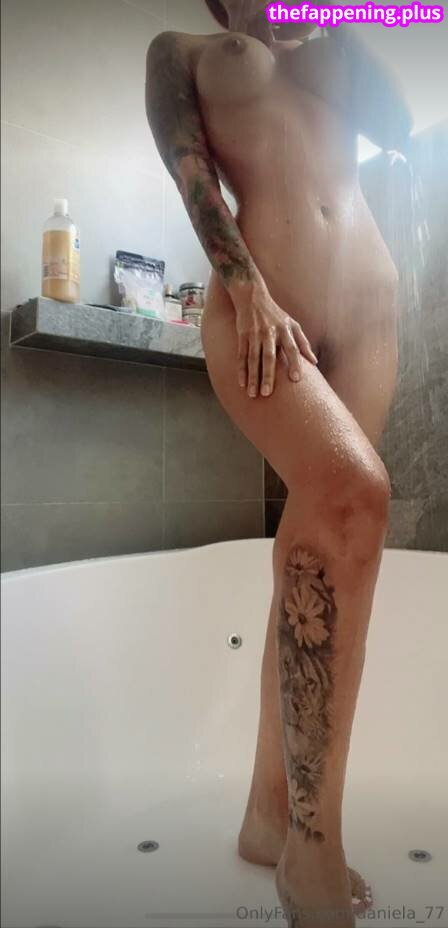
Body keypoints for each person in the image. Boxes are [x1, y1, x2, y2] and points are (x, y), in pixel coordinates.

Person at [146, 3, 412, 926]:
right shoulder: (184, 51)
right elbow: (190, 172)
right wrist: (245, 287)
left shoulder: (330, 31)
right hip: (264, 310)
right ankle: (313, 849)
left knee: (322, 558)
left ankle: (270, 817)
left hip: (368, 304)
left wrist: (334, 15)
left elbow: (398, 120)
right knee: (355, 497)